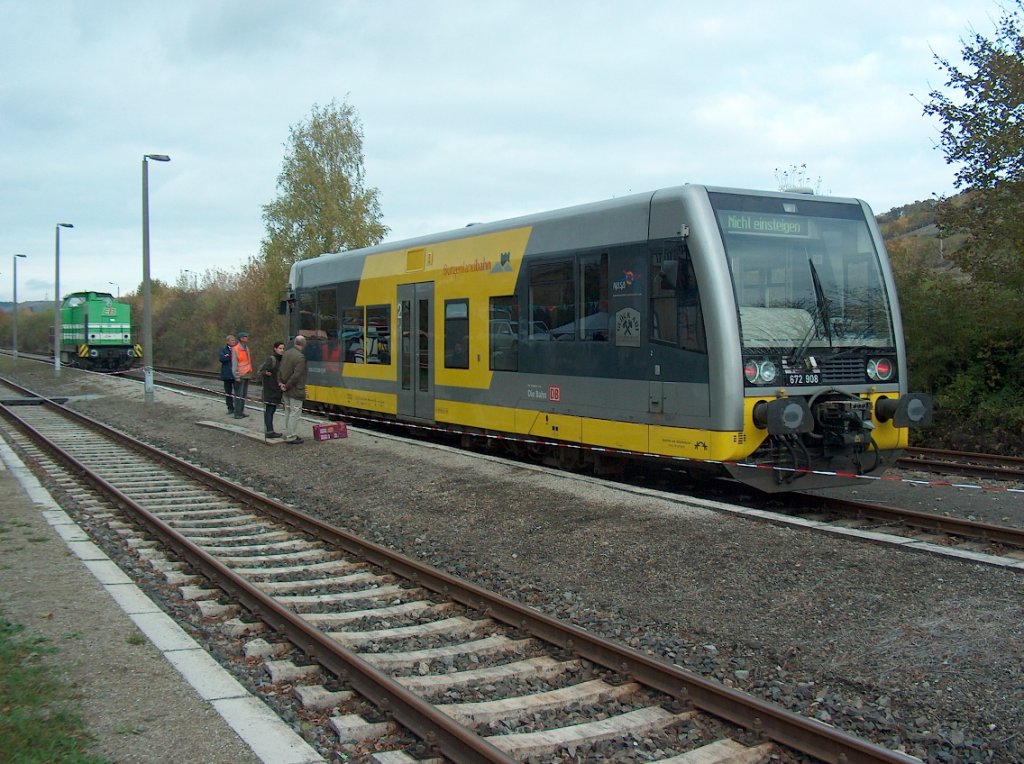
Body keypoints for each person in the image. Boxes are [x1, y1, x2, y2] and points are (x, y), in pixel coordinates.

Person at [278, 335, 308, 444]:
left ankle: (289, 433)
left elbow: (280, 369)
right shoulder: (300, 357)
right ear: (303, 344)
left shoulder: (286, 353)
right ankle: (291, 436)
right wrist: (287, 385)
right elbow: (297, 375)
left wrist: (281, 383)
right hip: (295, 389)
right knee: (295, 413)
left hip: (286, 389)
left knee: (288, 411)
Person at [258, 341, 285, 439]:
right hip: (270, 389)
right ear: (275, 348)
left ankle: (270, 430)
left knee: (272, 410)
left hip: (276, 389)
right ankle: (269, 431)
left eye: (283, 348)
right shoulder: (271, 359)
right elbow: (261, 371)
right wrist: (265, 373)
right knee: (269, 410)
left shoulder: (281, 360)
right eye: (280, 348)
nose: (282, 350)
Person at [231, 331, 255, 418]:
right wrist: (236, 376)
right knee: (238, 395)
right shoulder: (236, 349)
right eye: (245, 337)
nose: (247, 338)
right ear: (241, 339)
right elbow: (235, 364)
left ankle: (241, 411)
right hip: (240, 376)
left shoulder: (246, 348)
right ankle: (237, 413)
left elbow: (247, 361)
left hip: (246, 374)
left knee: (243, 395)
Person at [218, 335, 237, 415]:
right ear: (227, 342)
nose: (233, 341)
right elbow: (222, 359)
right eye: (231, 340)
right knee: (228, 392)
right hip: (227, 374)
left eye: (234, 340)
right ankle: (230, 408)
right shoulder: (223, 350)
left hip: (236, 374)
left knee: (238, 393)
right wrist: (229, 356)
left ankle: (238, 408)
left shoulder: (237, 349)